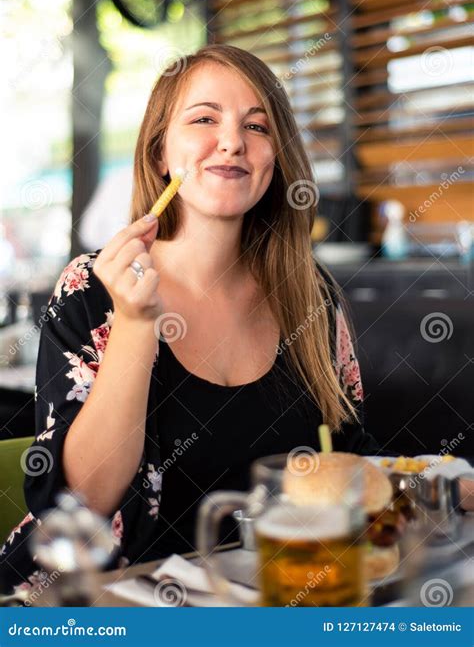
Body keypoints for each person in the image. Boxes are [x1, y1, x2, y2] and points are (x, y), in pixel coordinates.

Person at [0, 44, 379, 595]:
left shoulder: (311, 293)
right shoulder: (93, 287)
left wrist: (445, 484)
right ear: (160, 155)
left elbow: (351, 460)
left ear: (276, 158)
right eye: (204, 119)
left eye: (257, 125)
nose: (232, 141)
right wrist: (134, 324)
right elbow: (80, 503)